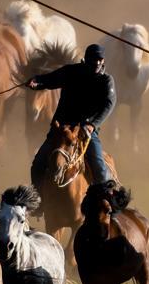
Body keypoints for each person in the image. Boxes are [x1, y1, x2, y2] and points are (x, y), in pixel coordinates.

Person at [28, 44, 116, 208]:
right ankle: (39, 202)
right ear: (86, 59)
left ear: (103, 61)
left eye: (99, 59)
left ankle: (108, 207)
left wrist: (92, 125)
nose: (96, 63)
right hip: (61, 130)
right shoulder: (72, 72)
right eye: (93, 59)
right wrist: (37, 81)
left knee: (99, 168)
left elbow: (109, 105)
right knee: (38, 164)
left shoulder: (106, 81)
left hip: (86, 132)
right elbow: (50, 80)